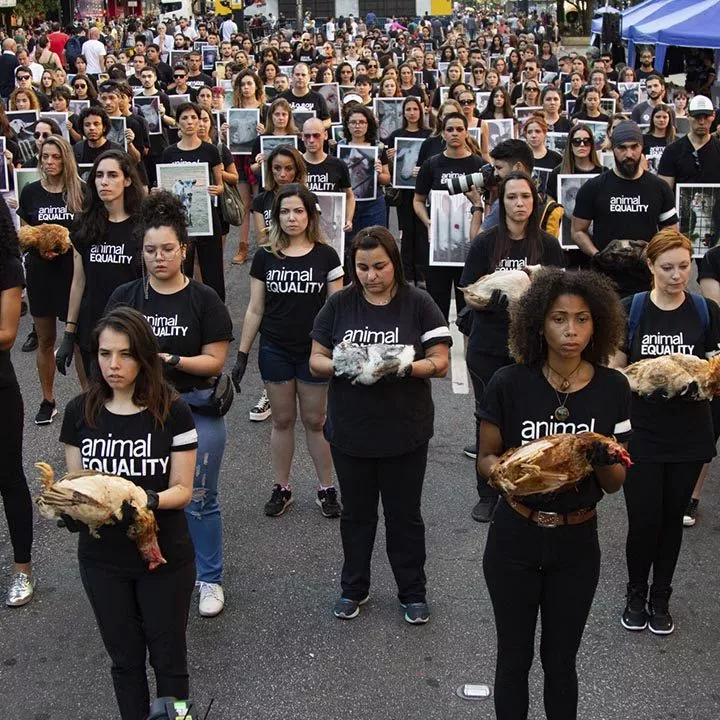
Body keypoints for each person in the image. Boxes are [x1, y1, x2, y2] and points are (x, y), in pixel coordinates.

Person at [478, 268, 631, 720]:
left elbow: (616, 485)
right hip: (513, 540)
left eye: (582, 319)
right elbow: (486, 460)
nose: (571, 330)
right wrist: (520, 473)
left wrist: (597, 452)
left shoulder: (613, 387)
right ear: (537, 324)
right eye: (559, 318)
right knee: (513, 661)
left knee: (560, 664)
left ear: (597, 323)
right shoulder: (509, 382)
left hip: (576, 544)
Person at [59, 306, 198, 719]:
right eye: (104, 354)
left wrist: (143, 500)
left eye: (125, 354)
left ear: (143, 355)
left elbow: (184, 490)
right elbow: (77, 489)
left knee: (169, 661)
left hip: (164, 557)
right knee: (125, 660)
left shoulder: (173, 411)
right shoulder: (79, 412)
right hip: (103, 561)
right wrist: (66, 507)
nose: (113, 365)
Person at [309, 226, 451, 623]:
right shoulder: (339, 305)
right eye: (363, 267)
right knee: (356, 515)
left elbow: (440, 362)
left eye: (380, 267)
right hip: (351, 433)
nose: (372, 276)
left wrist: (401, 366)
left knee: (404, 516)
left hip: (405, 433)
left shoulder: (418, 302)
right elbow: (315, 360)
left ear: (395, 263)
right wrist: (349, 364)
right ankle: (354, 588)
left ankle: (413, 592)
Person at [107, 191, 232, 619]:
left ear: (184, 249)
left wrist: (170, 360)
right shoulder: (127, 296)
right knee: (139, 496)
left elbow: (215, 360)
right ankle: (149, 565)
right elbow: (107, 351)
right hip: (138, 413)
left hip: (195, 409)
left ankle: (209, 577)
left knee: (198, 497)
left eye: (167, 250)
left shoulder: (204, 299)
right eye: (149, 250)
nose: (158, 258)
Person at [610, 229, 720, 635]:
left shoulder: (705, 312)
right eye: (668, 267)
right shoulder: (632, 309)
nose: (677, 276)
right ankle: (635, 592)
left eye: (684, 266)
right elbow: (614, 370)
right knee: (643, 520)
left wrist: (698, 381)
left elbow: (716, 370)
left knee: (672, 520)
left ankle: (661, 597)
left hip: (689, 433)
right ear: (651, 267)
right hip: (642, 434)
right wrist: (646, 380)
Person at [232, 184, 344, 518]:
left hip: (313, 353)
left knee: (315, 420)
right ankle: (282, 488)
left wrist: (337, 354)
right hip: (275, 350)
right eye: (284, 212)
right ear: (276, 217)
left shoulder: (327, 255)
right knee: (282, 420)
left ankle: (327, 489)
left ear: (309, 215)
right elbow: (255, 308)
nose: (291, 218)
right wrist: (241, 353)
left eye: (298, 211)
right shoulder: (266, 255)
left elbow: (335, 309)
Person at [463, 172, 564, 521]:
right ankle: (488, 492)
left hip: (533, 346)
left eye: (525, 197)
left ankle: (526, 484)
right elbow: (468, 295)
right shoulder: (485, 243)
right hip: (488, 345)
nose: (519, 204)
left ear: (534, 201)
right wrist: (499, 299)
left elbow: (559, 298)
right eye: (511, 197)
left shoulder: (549, 245)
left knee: (531, 417)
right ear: (500, 201)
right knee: (488, 419)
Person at [56, 150, 144, 379]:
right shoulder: (85, 226)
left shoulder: (143, 227)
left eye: (112, 175)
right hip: (92, 326)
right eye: (99, 175)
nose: (104, 181)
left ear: (127, 180)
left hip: (131, 327)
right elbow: (78, 282)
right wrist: (69, 333)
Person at [17, 136, 84, 425]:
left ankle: (88, 399)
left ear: (66, 158)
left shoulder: (79, 192)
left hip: (73, 273)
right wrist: (38, 245)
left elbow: (88, 232)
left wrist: (67, 243)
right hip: (41, 273)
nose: (50, 162)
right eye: (45, 156)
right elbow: (23, 233)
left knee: (79, 339)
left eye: (56, 157)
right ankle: (48, 399)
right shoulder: (31, 192)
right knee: (46, 339)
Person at [571, 120, 678, 293]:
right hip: (604, 280)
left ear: (642, 147)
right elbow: (577, 231)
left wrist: (651, 253)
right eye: (622, 148)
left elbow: (671, 231)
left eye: (634, 147)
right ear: (613, 149)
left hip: (647, 279)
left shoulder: (660, 188)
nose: (629, 154)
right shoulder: (593, 187)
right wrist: (597, 255)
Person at [413, 112, 484, 322]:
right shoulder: (431, 165)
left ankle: (469, 351)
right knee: (437, 304)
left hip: (469, 245)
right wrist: (428, 222)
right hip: (439, 246)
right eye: (450, 129)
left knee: (468, 306)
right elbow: (418, 200)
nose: (455, 133)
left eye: (459, 129)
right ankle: (441, 352)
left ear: (467, 133)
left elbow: (488, 202)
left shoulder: (478, 164)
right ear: (443, 134)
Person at [0, 197, 34, 607]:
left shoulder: (8, 268)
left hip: (1, 388)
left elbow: (7, 334)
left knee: (8, 477)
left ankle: (22, 568)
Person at [162, 101, 225, 301]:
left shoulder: (210, 150)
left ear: (200, 122)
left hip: (206, 217)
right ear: (177, 123)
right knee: (182, 266)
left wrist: (218, 189)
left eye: (193, 118)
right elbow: (165, 185)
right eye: (184, 118)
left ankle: (218, 310)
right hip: (179, 221)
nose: (190, 122)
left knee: (213, 269)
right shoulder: (169, 153)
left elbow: (221, 183)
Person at [385, 96, 432, 285]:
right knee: (406, 233)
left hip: (423, 192)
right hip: (404, 193)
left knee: (422, 233)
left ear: (420, 112)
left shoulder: (429, 135)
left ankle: (421, 276)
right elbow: (390, 170)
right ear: (403, 113)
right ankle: (407, 276)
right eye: (408, 109)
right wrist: (390, 159)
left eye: (415, 109)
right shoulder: (395, 135)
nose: (411, 113)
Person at [338, 104, 391, 245]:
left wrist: (379, 173)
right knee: (350, 245)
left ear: (368, 124)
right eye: (353, 122)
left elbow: (387, 179)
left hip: (373, 204)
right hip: (349, 204)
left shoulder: (378, 147)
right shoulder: (340, 147)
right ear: (347, 125)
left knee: (376, 242)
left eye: (362, 122)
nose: (357, 126)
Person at [658, 95, 720, 190]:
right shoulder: (672, 151)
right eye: (697, 117)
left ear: (713, 116)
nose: (702, 122)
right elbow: (664, 193)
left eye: (706, 116)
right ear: (687, 115)